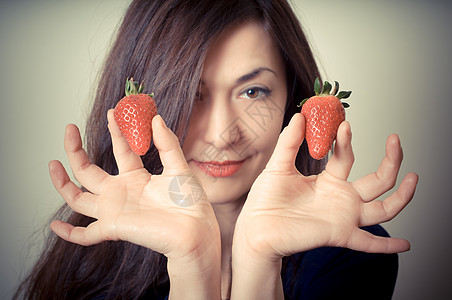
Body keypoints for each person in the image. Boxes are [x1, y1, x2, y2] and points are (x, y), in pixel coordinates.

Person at [14, 0, 419, 299]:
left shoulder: (348, 256)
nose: (223, 135)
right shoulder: (89, 267)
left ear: (293, 98)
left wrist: (259, 261)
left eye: (252, 91)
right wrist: (193, 263)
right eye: (192, 94)